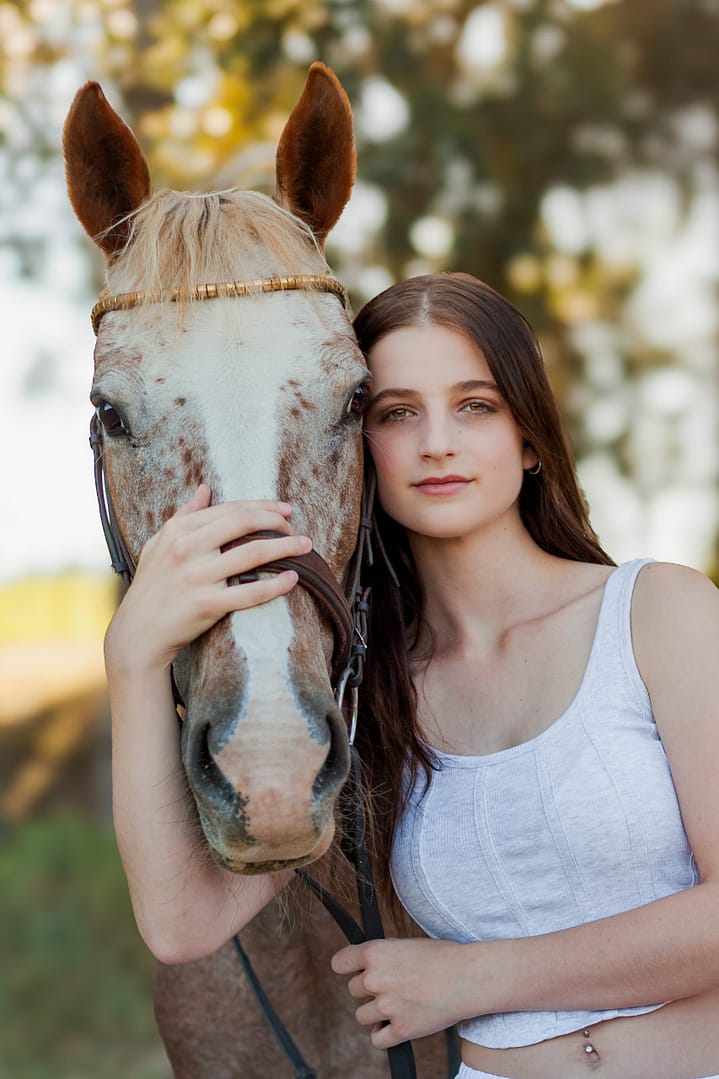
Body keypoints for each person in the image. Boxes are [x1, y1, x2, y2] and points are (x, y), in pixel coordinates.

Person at [106, 272, 719, 1079]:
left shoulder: (659, 612)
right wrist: (133, 657)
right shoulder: (370, 698)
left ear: (529, 437)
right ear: (356, 449)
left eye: (476, 405)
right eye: (396, 413)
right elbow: (183, 923)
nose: (437, 441)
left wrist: (471, 978)